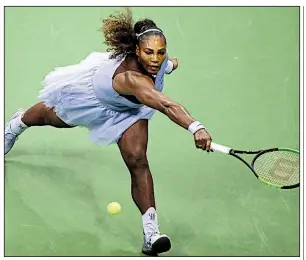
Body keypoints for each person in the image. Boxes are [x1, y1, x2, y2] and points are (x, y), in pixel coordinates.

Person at [4, 8, 212, 256]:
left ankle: (151, 234)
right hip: (97, 98)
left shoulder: (158, 61)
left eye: (161, 52)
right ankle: (17, 123)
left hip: (132, 111)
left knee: (137, 160)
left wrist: (170, 65)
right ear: (136, 51)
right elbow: (166, 104)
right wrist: (195, 127)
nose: (155, 58)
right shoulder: (133, 79)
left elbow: (166, 64)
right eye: (148, 53)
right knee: (52, 117)